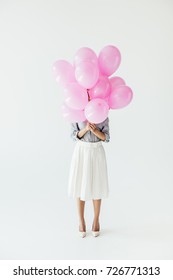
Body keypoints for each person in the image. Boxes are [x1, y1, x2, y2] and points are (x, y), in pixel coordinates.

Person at [68, 93, 110, 238]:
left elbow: (106, 137)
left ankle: (96, 221)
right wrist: (86, 129)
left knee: (97, 186)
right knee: (80, 185)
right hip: (81, 151)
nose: (89, 98)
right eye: (86, 96)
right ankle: (81, 221)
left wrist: (95, 131)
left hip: (96, 151)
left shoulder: (102, 113)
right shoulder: (76, 112)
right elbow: (73, 135)